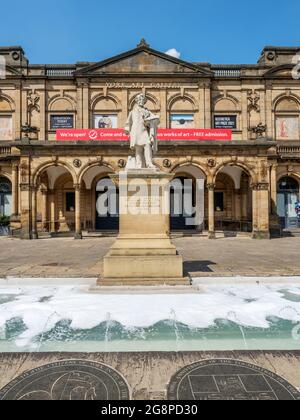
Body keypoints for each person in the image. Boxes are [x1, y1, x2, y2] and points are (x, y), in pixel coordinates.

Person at [124, 93, 160, 169]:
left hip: (144, 131)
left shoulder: (147, 111)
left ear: (144, 101)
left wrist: (154, 119)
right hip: (136, 131)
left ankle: (149, 163)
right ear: (137, 101)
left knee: (147, 144)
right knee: (138, 148)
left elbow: (155, 119)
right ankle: (139, 165)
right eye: (139, 99)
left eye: (143, 100)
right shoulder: (133, 111)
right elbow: (128, 122)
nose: (141, 101)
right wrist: (127, 130)